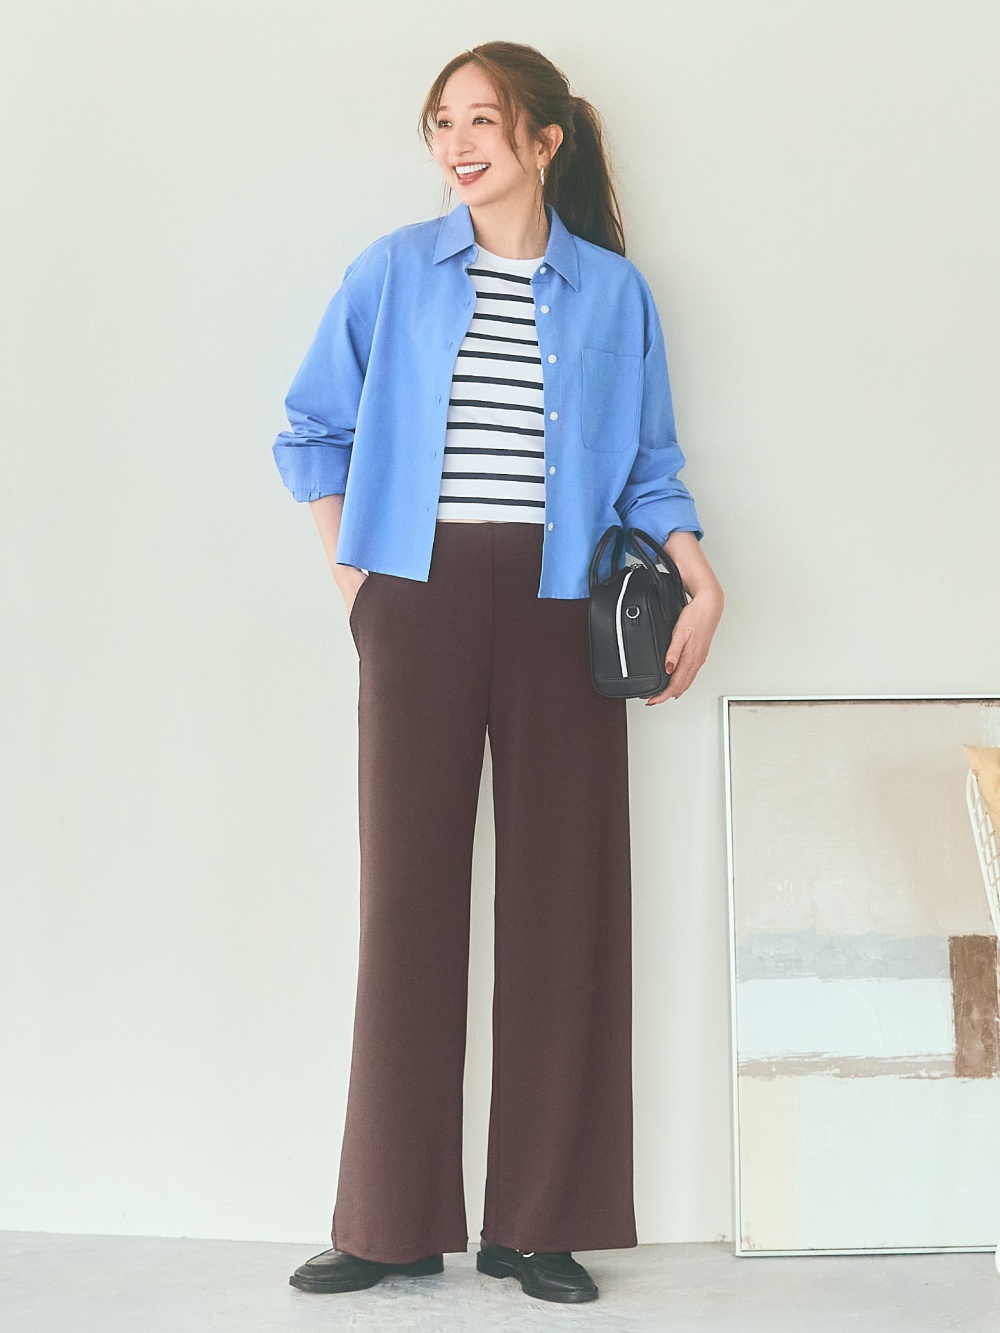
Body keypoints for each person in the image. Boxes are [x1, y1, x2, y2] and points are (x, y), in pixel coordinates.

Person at [271, 40, 724, 1306]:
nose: (457, 143)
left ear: (544, 140)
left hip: (561, 603)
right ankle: (389, 1221)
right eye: (441, 122)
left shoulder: (613, 293)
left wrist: (701, 577)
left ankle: (539, 1222)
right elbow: (311, 430)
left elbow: (649, 466)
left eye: (482, 120)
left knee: (564, 905)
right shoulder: (392, 272)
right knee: (406, 900)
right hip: (413, 596)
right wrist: (358, 588)